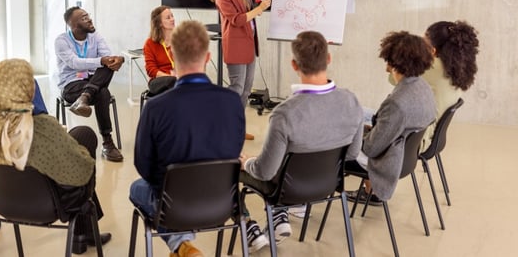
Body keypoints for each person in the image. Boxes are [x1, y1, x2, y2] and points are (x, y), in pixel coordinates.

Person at [238, 31, 364, 252]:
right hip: (328, 185)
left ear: (294, 65)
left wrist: (247, 162)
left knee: (235, 164)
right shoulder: (352, 101)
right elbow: (352, 154)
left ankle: (250, 224)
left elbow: (265, 172)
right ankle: (280, 214)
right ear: (329, 59)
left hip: (286, 188)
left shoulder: (284, 114)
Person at [0, 59, 111, 254]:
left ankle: (83, 233)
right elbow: (81, 172)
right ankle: (82, 231)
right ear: (27, 88)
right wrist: (75, 150)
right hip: (50, 206)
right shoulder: (42, 126)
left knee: (78, 136)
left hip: (2, 203)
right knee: (84, 136)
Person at [131, 20, 245, 257]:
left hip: (173, 206)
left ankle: (180, 244)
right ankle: (182, 246)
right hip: (222, 202)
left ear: (172, 53)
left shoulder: (155, 107)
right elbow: (234, 150)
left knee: (137, 188)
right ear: (208, 56)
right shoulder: (233, 101)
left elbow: (144, 166)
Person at [346, 31, 436, 204]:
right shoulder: (422, 87)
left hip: (387, 162)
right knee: (357, 116)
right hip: (406, 155)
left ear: (394, 61)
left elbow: (371, 149)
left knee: (334, 138)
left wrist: (356, 133)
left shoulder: (397, 102)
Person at [206, 0, 272, 141]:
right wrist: (258, 10)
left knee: (246, 89)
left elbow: (248, 11)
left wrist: (260, 6)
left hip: (250, 43)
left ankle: (238, 129)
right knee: (236, 87)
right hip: (235, 46)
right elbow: (236, 20)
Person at [55, 7, 124, 163]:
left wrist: (118, 60)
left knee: (108, 67)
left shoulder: (95, 36)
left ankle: (85, 97)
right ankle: (108, 143)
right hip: (72, 85)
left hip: (92, 81)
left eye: (88, 16)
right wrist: (102, 61)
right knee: (103, 92)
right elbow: (74, 63)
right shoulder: (61, 41)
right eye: (84, 18)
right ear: (74, 25)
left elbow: (107, 58)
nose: (89, 19)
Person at [421, 20, 479, 152]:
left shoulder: (432, 67)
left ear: (433, 48)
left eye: (423, 43)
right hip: (432, 137)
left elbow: (394, 78)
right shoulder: (459, 69)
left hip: (416, 140)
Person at [143, 5, 177, 95]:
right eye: (168, 18)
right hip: (158, 81)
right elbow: (151, 70)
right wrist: (170, 76)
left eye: (172, 16)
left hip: (177, 80)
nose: (172, 19)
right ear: (159, 23)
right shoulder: (150, 43)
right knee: (173, 81)